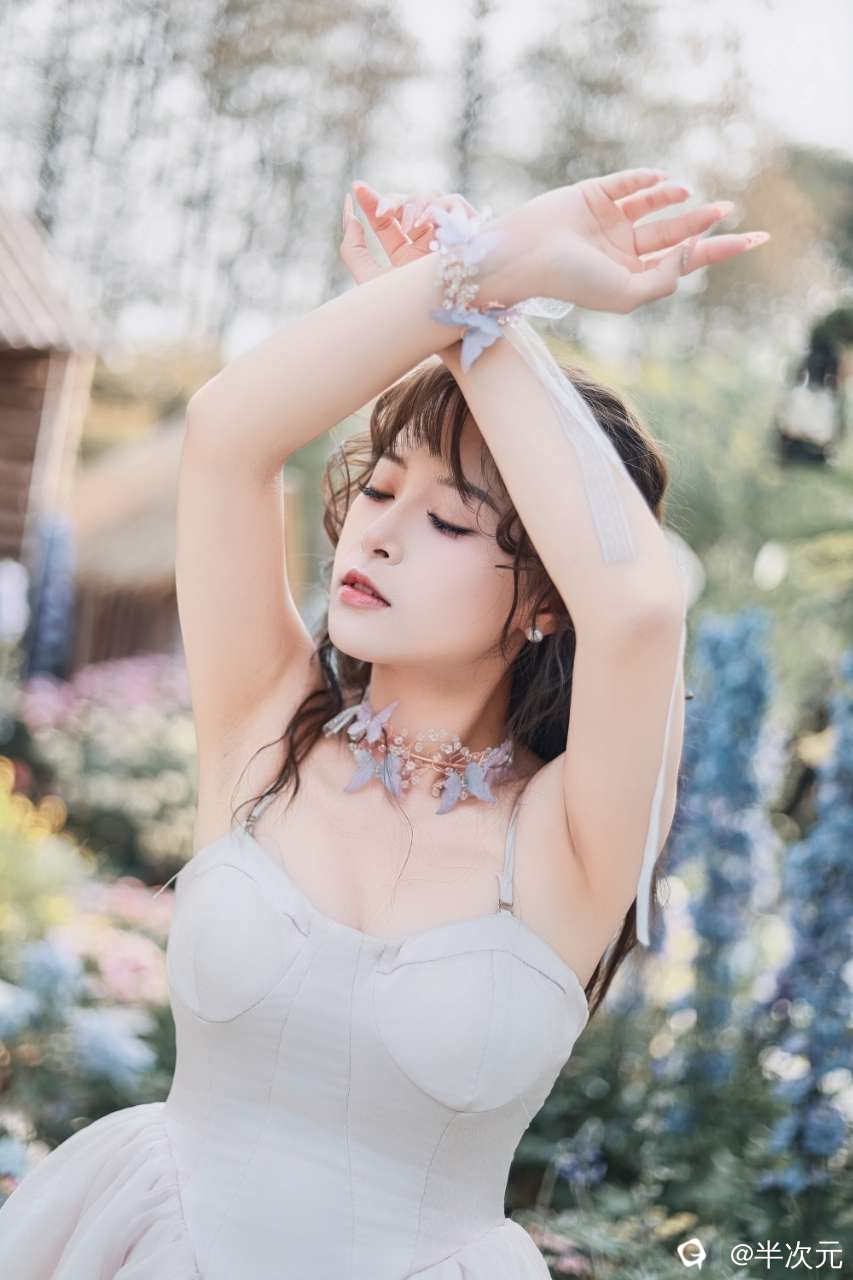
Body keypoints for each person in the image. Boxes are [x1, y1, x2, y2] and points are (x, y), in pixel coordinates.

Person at [0, 168, 770, 1278]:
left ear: (547, 600)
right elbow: (227, 430)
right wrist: (491, 264)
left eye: (451, 519)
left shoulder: (569, 838)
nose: (377, 533)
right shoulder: (267, 722)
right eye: (378, 488)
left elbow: (640, 607)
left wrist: (485, 312)